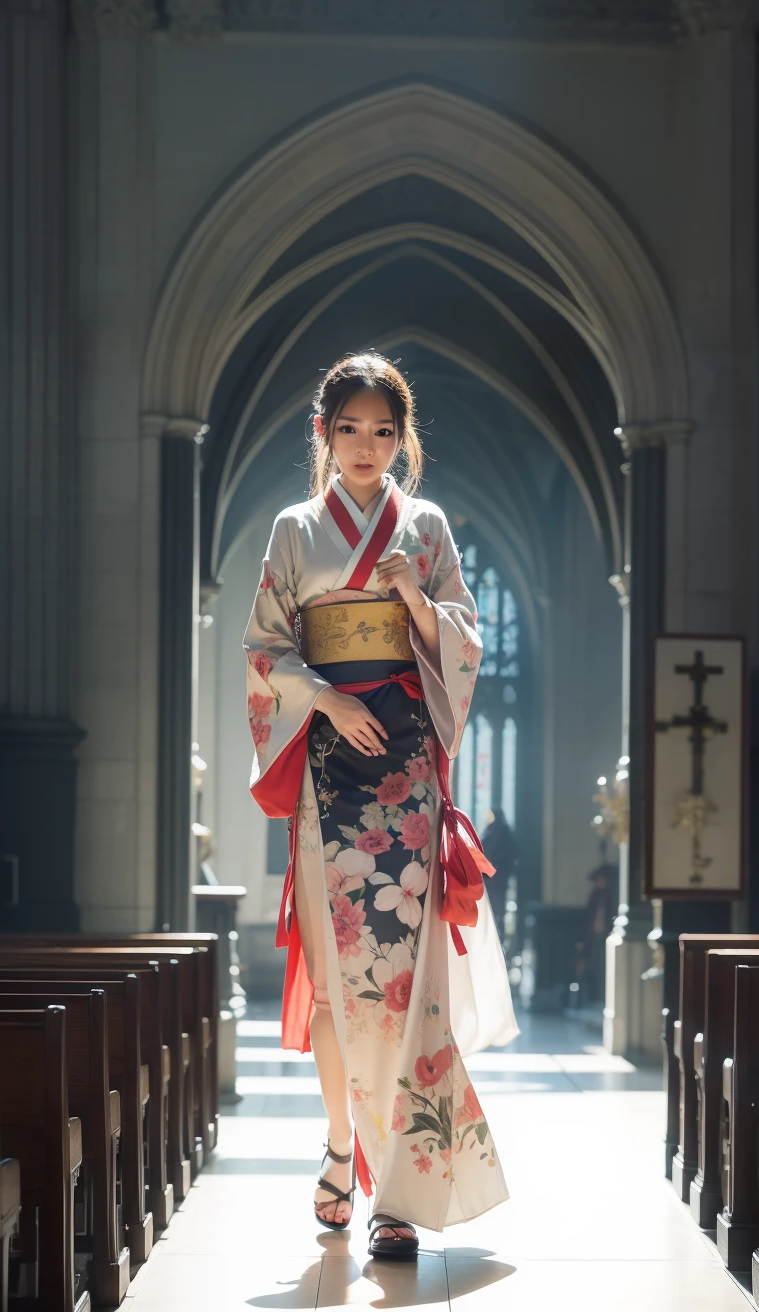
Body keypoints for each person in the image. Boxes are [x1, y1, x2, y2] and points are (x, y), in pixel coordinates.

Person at [244, 352, 516, 1259]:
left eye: (385, 432)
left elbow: (465, 643)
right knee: (336, 980)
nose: (368, 447)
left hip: (408, 775)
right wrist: (324, 698)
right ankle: (338, 1144)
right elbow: (263, 653)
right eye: (351, 429)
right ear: (324, 434)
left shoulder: (425, 526)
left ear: (404, 441)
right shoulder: (293, 531)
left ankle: (396, 1192)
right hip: (331, 769)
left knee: (405, 986)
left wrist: (412, 595)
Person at [479, 808, 516, 933]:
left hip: (497, 879)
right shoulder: (491, 830)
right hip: (490, 879)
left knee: (497, 910)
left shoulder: (501, 831)